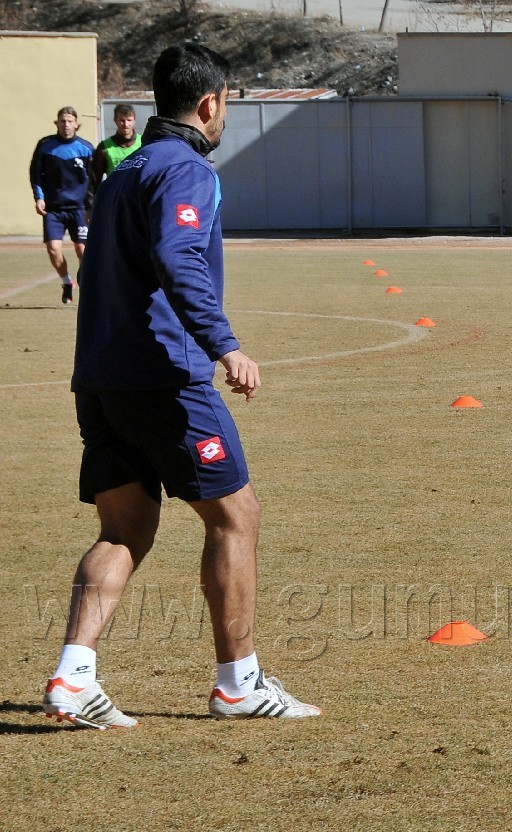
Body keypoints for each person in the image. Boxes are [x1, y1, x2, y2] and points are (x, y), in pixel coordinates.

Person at [41, 43, 320, 729]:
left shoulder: (126, 166)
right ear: (209, 104)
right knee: (237, 515)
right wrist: (224, 344)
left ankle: (74, 675)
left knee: (125, 527)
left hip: (100, 379)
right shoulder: (184, 168)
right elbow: (178, 254)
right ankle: (238, 682)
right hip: (162, 376)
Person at [29, 106, 94, 304]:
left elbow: (94, 180)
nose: (66, 125)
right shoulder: (45, 145)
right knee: (53, 249)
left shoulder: (86, 148)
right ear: (56, 123)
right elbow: (35, 174)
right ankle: (67, 282)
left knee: (82, 250)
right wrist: (39, 197)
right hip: (54, 209)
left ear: (76, 124)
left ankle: (88, 289)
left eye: (69, 121)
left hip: (79, 209)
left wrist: (92, 205)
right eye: (62, 121)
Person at [90, 103, 141, 189]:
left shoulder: (144, 143)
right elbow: (95, 182)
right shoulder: (104, 148)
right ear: (115, 120)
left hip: (139, 197)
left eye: (129, 120)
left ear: (134, 120)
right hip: (115, 197)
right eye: (122, 120)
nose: (125, 124)